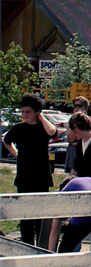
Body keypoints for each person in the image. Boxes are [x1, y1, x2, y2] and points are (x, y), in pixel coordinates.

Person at [2, 95, 57, 247]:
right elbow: (6, 140)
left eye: (28, 112)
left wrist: (41, 116)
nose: (25, 115)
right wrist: (16, 153)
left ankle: (41, 247)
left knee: (40, 215)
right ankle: (26, 247)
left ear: (36, 112)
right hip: (24, 176)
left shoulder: (43, 127)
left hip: (41, 176)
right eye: (23, 112)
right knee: (25, 217)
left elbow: (52, 132)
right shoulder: (18, 128)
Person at [47, 176, 91, 253]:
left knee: (65, 248)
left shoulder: (64, 191)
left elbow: (55, 231)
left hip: (86, 213)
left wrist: (51, 255)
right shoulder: (90, 180)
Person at [64, 97, 91, 175]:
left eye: (79, 106)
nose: (77, 108)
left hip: (88, 150)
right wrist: (73, 121)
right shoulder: (71, 121)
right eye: (75, 106)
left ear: (86, 107)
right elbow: (70, 139)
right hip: (74, 150)